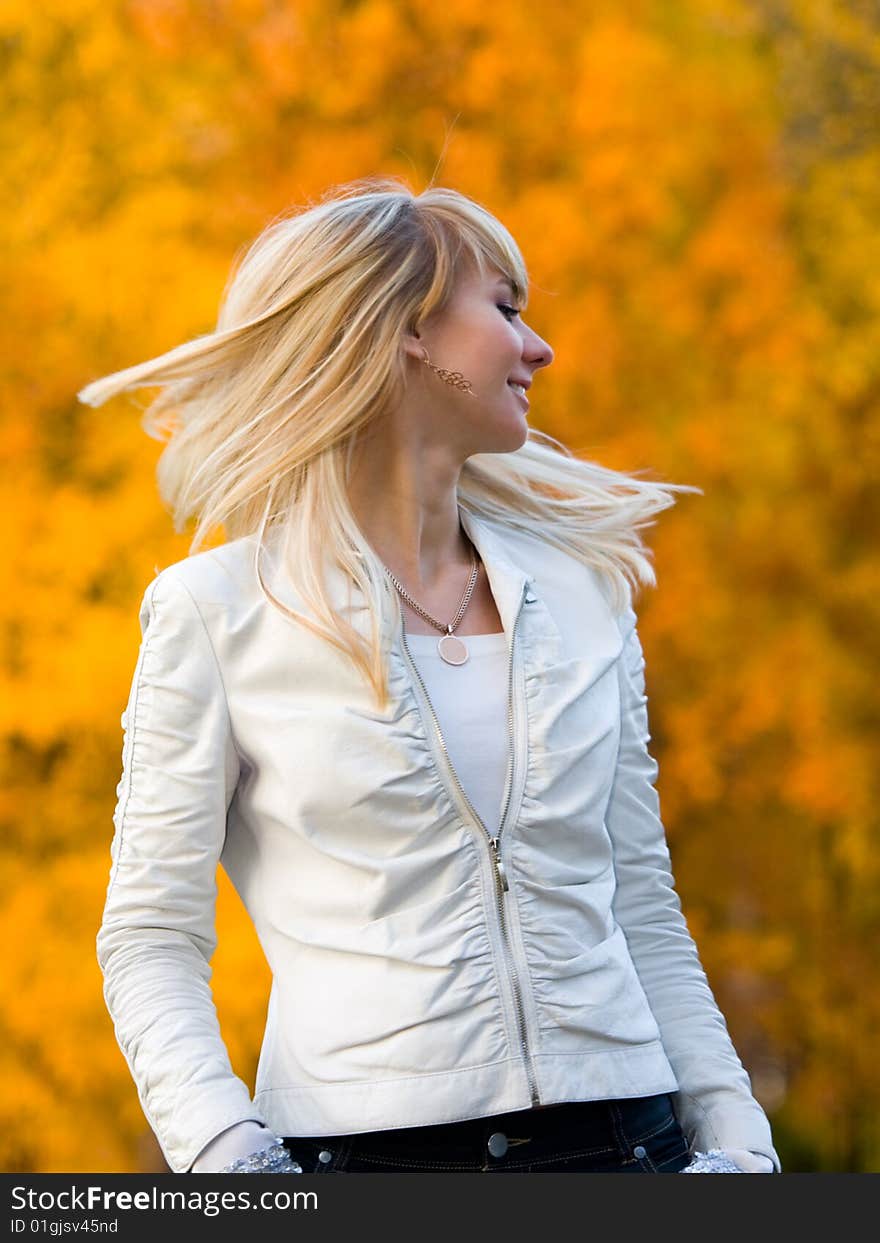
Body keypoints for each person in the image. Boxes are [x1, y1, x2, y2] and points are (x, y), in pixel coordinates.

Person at [79, 176, 780, 1175]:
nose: (537, 349)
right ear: (406, 327)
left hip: (630, 1141)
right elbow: (149, 934)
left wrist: (737, 1137)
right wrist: (227, 1153)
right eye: (504, 308)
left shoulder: (586, 594)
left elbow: (640, 907)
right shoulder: (216, 611)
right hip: (369, 1159)